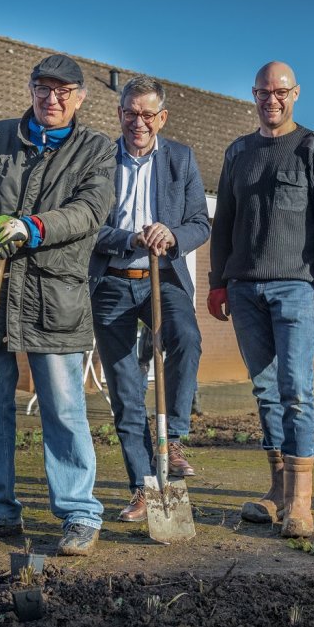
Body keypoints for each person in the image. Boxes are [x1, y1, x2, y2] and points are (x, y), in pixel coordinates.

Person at [0, 54, 116, 556]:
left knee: (64, 408)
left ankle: (79, 512)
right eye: (44, 88)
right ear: (31, 89)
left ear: (80, 98)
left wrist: (30, 227)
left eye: (64, 91)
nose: (52, 98)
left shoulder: (96, 149)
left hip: (53, 297)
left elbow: (89, 211)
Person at [208, 61, 314, 538]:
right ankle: (278, 492)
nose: (272, 99)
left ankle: (302, 504)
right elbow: (222, 220)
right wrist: (217, 281)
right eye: (264, 92)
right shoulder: (238, 152)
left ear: (295, 94)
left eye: (281, 91)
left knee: (297, 390)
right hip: (245, 288)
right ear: (253, 95)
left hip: (295, 287)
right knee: (265, 390)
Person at [89, 76, 210, 523]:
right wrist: (127, 237)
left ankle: (173, 437)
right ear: (120, 113)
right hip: (113, 282)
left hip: (164, 278)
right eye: (130, 113)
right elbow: (87, 226)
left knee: (186, 338)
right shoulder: (99, 159)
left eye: (147, 114)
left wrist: (172, 234)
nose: (138, 122)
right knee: (125, 392)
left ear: (161, 117)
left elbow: (201, 222)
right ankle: (143, 487)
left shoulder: (181, 158)